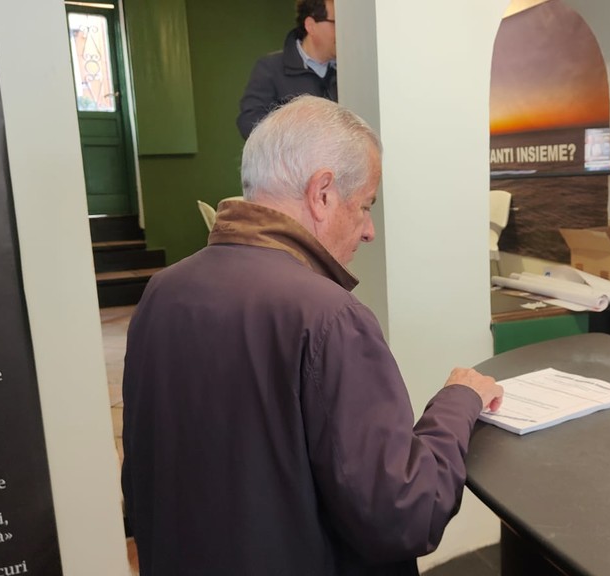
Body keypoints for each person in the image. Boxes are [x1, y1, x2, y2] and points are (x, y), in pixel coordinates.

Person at [121, 95, 505, 576]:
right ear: (322, 193)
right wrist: (458, 402)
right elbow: (405, 513)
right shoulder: (329, 316)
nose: (368, 230)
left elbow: (142, 480)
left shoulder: (162, 291)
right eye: (365, 205)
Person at [236, 0, 338, 139]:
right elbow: (250, 122)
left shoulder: (348, 73)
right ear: (311, 26)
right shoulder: (270, 68)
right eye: (335, 23)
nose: (343, 30)